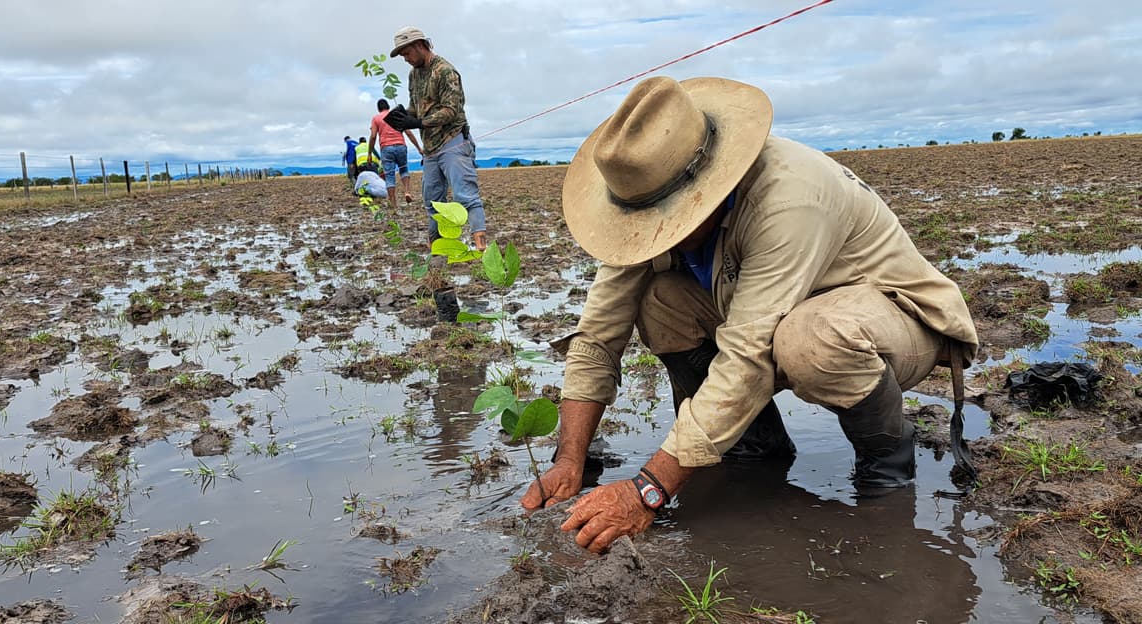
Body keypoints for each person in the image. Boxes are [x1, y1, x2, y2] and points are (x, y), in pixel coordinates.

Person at [519, 76, 979, 553]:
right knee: (661, 303)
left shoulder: (787, 198)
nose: (654, 232)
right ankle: (754, 450)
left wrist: (648, 489)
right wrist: (569, 458)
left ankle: (887, 471)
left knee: (810, 339)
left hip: (890, 318)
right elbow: (598, 335)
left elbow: (746, 357)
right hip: (776, 311)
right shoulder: (646, 190)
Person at [384, 26, 487, 251]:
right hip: (430, 148)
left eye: (407, 53)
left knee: (465, 196)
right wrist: (404, 116)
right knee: (432, 201)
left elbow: (451, 110)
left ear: (421, 45)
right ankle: (438, 248)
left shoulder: (446, 71)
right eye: (402, 56)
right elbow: (416, 107)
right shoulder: (414, 74)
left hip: (453, 141)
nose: (406, 59)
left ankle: (481, 248)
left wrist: (419, 122)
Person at [369, 99, 422, 207]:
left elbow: (373, 136)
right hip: (401, 146)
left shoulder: (376, 118)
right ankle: (407, 191)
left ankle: (393, 204)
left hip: (386, 148)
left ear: (378, 108)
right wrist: (419, 148)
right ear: (388, 106)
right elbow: (409, 133)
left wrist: (370, 153)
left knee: (389, 176)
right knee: (404, 169)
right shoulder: (396, 115)